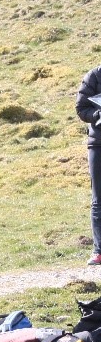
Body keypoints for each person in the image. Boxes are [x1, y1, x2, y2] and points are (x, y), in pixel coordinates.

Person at [76, 65, 101, 265]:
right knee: (98, 198)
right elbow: (81, 108)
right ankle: (99, 250)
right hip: (98, 144)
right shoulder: (94, 76)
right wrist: (97, 115)